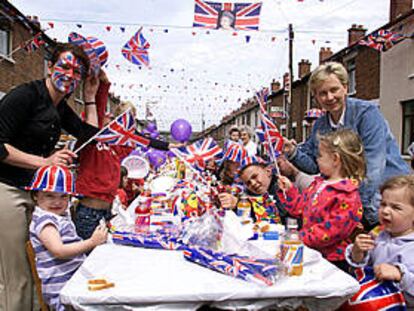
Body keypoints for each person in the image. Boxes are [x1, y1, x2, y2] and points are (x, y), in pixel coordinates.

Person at [0, 43, 99, 310]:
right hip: (7, 189)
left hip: (35, 194)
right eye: (64, 66)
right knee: (16, 272)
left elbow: (89, 138)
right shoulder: (25, 95)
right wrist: (45, 162)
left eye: (77, 72)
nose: (69, 74)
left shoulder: (60, 107)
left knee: (38, 270)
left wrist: (90, 96)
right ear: (51, 66)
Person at [284, 62, 410, 230]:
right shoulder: (320, 125)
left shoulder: (367, 114)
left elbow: (373, 167)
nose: (329, 97)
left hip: (387, 195)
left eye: (334, 90)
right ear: (316, 97)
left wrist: (356, 207)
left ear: (345, 87)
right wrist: (292, 152)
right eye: (322, 93)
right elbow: (316, 166)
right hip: (352, 201)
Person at [278, 129, 366, 272]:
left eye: (319, 155)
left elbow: (332, 230)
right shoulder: (318, 183)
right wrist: (289, 190)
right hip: (312, 253)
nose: (316, 159)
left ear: (335, 159)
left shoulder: (347, 194)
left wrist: (300, 238)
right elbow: (300, 208)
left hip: (332, 261)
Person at [28, 165, 108, 311]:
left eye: (63, 196)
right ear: (35, 195)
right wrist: (91, 242)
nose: (57, 202)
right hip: (61, 290)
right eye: (49, 195)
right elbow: (59, 251)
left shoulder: (59, 216)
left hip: (74, 281)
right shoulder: (45, 220)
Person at [346, 175, 414, 307]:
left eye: (396, 208)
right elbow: (361, 271)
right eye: (383, 204)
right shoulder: (379, 235)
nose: (385, 211)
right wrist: (358, 253)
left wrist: (400, 275)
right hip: (371, 301)